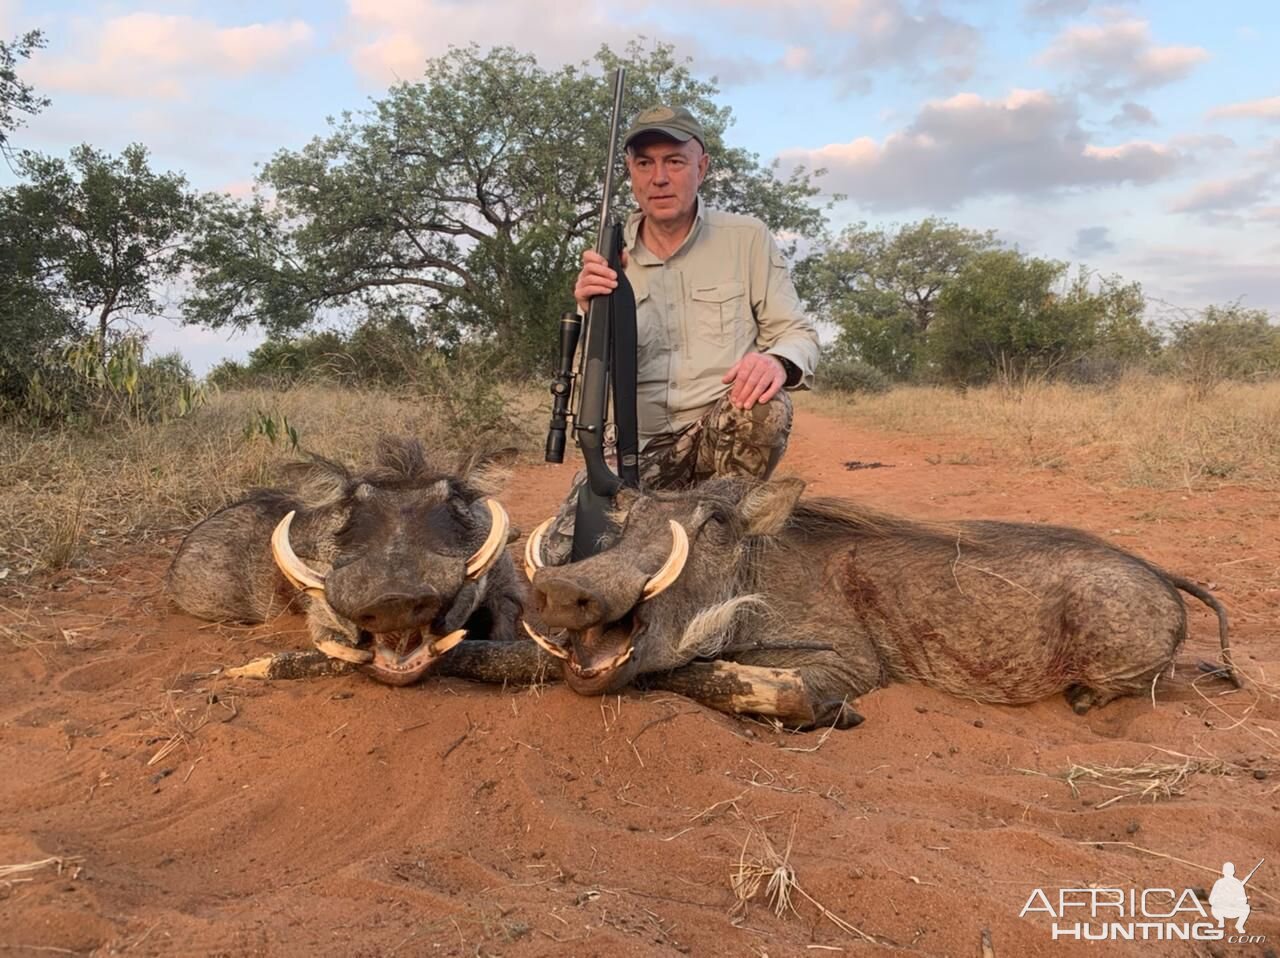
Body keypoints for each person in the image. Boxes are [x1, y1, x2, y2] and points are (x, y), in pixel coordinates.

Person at [541, 104, 819, 564]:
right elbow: (581, 382)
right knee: (562, 560)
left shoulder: (746, 238)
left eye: (675, 161)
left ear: (701, 167)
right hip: (635, 450)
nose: (660, 178)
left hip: (716, 436)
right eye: (645, 163)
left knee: (763, 405)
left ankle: (729, 530)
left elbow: (797, 333)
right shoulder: (606, 259)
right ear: (630, 172)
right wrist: (590, 311)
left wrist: (776, 360)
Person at [1209, 862, 1250, 933]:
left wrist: (1236, 900)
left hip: (1231, 910)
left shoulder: (1236, 883)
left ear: (1223, 871)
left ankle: (1238, 925)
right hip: (1221, 910)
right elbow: (1211, 900)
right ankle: (1221, 920)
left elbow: (1243, 900)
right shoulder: (1220, 883)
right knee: (1246, 908)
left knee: (1246, 907)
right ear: (1233, 871)